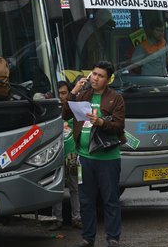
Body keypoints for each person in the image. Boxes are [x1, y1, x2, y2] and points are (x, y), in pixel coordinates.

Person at [62, 61, 126, 247]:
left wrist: (100, 122)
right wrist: (73, 91)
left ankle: (113, 238)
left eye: (100, 76)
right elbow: (64, 114)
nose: (96, 78)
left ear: (108, 79)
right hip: (84, 158)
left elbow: (119, 125)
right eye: (94, 74)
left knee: (110, 200)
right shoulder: (82, 94)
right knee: (86, 199)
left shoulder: (116, 98)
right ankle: (87, 238)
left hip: (108, 158)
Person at [49, 81, 82, 231]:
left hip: (71, 156)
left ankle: (77, 218)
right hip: (55, 156)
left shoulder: (74, 109)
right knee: (57, 188)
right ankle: (57, 220)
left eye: (64, 93)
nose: (61, 96)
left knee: (75, 187)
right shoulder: (51, 111)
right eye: (59, 93)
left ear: (69, 93)